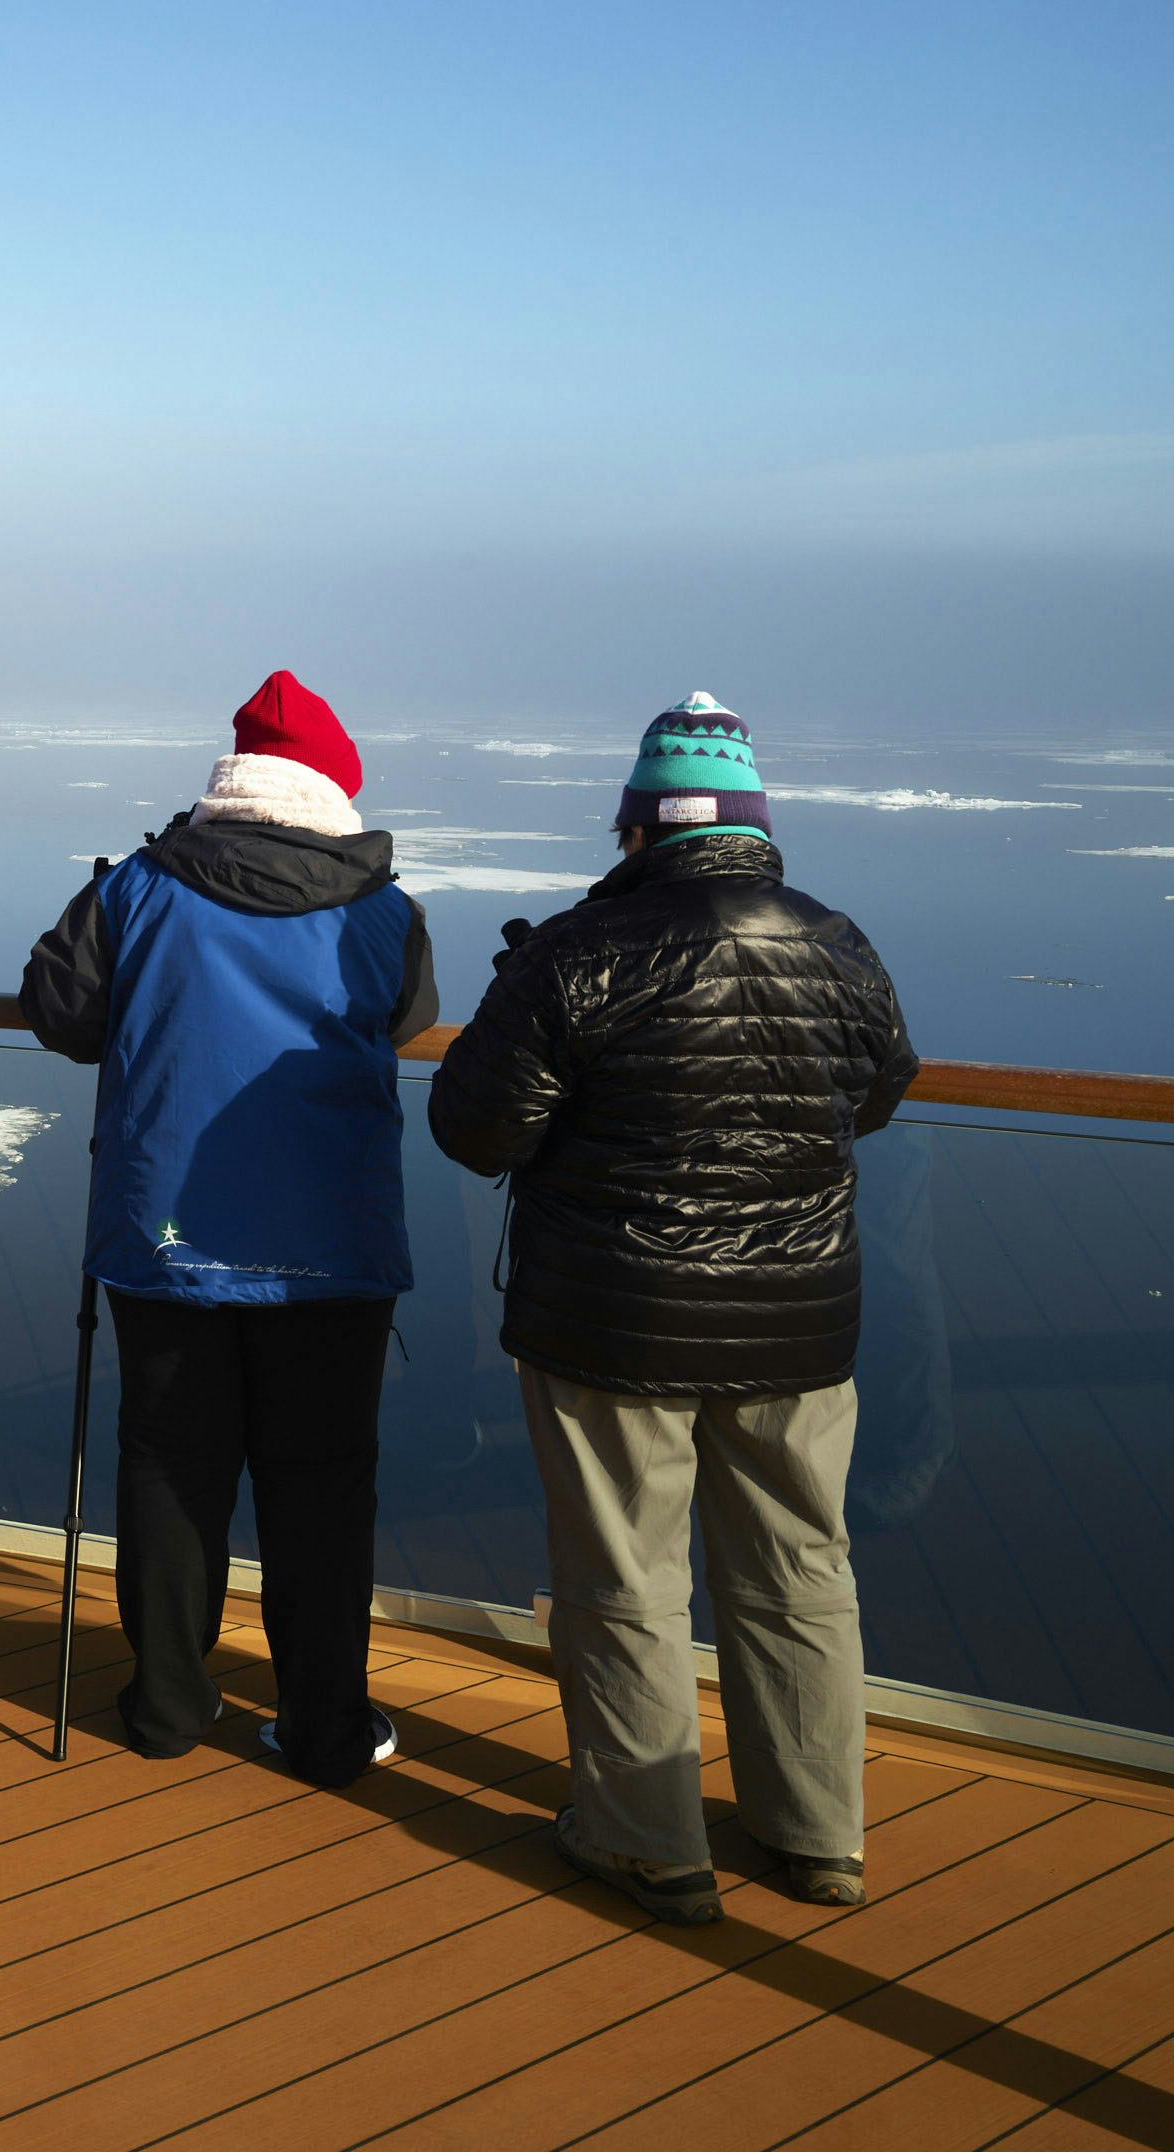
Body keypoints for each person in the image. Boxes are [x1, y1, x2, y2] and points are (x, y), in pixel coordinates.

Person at [432, 694, 914, 1924]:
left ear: (638, 826)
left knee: (623, 1578)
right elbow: (876, 1094)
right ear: (753, 824)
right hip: (798, 1321)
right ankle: (816, 1835)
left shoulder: (574, 953)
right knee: (802, 1568)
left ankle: (647, 1841)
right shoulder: (837, 942)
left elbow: (475, 1126)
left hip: (614, 1321)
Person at [21, 669, 432, 1784]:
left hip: (165, 1245)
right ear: (332, 790)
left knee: (167, 1465)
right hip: (332, 1252)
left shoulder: (140, 892)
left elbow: (58, 1010)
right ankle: (323, 1728)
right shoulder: (383, 910)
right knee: (321, 1483)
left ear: (230, 780)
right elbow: (411, 1020)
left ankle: (164, 1705)